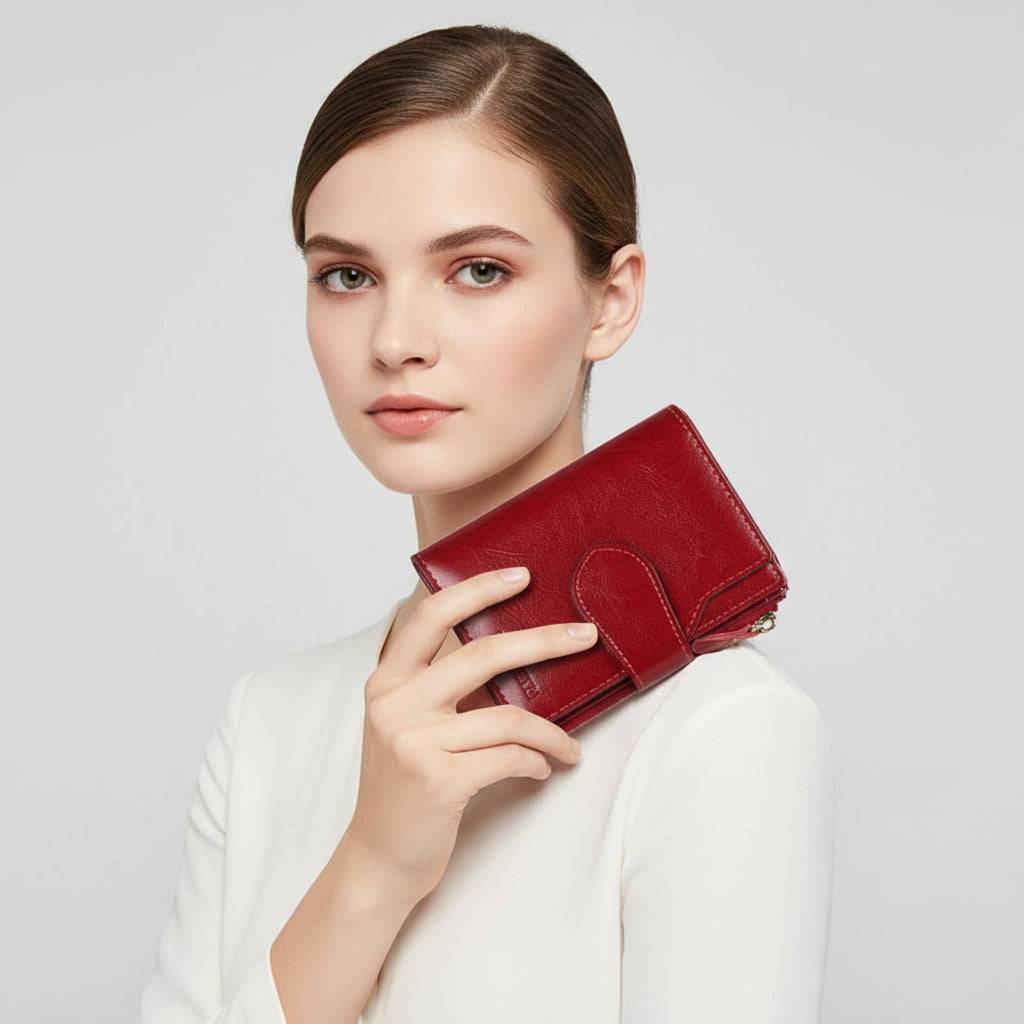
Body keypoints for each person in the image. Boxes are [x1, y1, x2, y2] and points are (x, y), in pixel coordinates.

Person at [141, 25, 833, 1024]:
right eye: (347, 275)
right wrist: (372, 865)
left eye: (476, 271)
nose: (394, 341)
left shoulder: (721, 729)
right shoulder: (269, 720)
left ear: (611, 298)